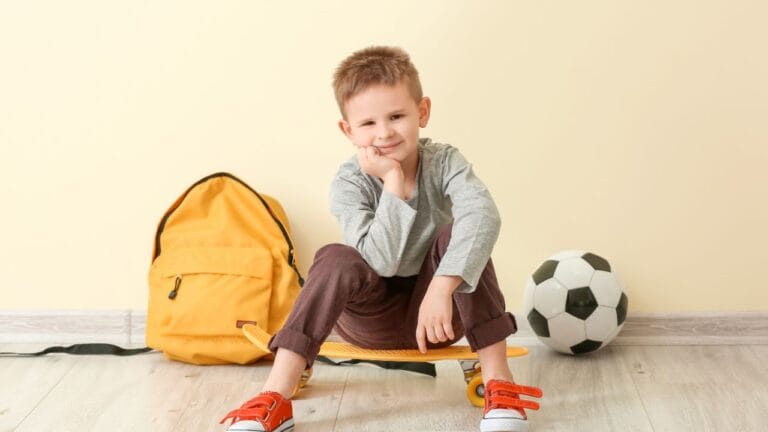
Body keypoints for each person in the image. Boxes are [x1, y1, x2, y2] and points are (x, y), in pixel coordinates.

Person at [220, 45, 541, 432]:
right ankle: (275, 395)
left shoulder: (444, 162)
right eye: (369, 123)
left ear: (422, 112)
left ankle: (498, 383)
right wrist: (393, 184)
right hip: (373, 319)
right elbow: (382, 262)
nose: (385, 132)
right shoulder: (350, 182)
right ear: (348, 130)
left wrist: (441, 288)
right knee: (336, 256)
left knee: (461, 234)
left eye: (397, 116)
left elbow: (484, 215)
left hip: (441, 315)